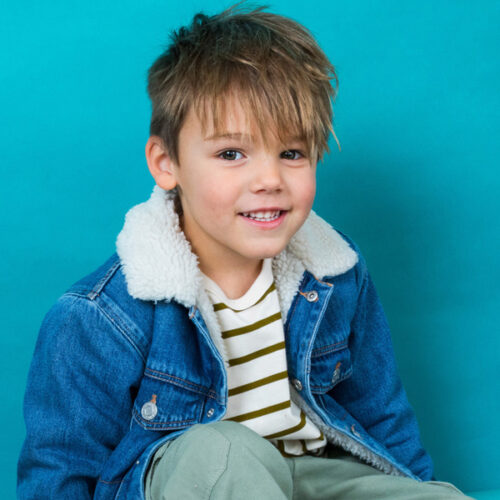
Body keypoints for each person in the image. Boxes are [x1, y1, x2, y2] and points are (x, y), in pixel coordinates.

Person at [17, 2, 473, 499]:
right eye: (231, 153)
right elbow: (59, 468)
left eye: (291, 153)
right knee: (224, 452)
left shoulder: (335, 273)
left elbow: (382, 414)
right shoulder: (101, 316)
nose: (269, 179)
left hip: (311, 475)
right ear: (166, 163)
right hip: (200, 480)